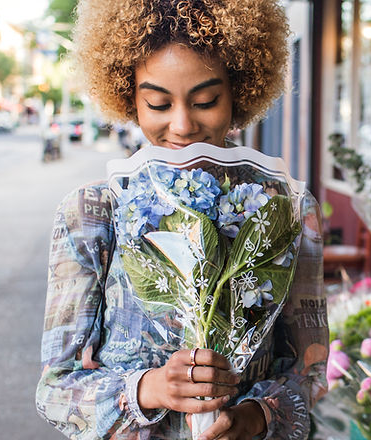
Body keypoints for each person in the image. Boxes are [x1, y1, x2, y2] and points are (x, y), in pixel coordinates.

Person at [35, 1, 329, 439]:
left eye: (206, 100)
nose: (182, 124)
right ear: (129, 99)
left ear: (240, 93)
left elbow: (311, 374)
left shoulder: (288, 209)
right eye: (157, 102)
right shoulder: (93, 212)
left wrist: (254, 418)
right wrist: (149, 389)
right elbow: (55, 389)